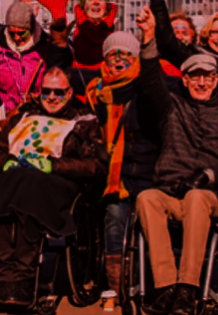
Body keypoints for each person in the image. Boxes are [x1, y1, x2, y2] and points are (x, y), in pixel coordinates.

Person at [133, 7, 218, 315]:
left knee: (197, 198)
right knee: (146, 198)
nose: (201, 82)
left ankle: (188, 289)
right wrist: (148, 39)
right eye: (195, 76)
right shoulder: (172, 108)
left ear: (216, 79)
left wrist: (209, 175)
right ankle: (167, 285)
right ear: (184, 80)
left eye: (208, 76)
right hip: (171, 192)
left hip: (209, 196)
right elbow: (150, 83)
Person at [0, 67, 108, 307]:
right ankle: (5, 276)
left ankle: (23, 277)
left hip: (58, 185)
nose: (51, 97)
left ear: (70, 92)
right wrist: (7, 162)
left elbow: (96, 165)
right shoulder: (23, 117)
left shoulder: (83, 120)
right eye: (46, 91)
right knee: (1, 192)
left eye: (58, 92)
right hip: (17, 179)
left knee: (29, 185)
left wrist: (54, 165)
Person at [85, 31, 166, 312]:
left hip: (149, 170)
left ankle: (154, 284)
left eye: (126, 55)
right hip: (114, 175)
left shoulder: (148, 87)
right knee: (114, 218)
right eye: (113, 55)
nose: (119, 61)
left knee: (151, 220)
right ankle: (115, 287)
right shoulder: (96, 91)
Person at [0, 1, 72, 120]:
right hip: (5, 116)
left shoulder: (45, 47)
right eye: (11, 33)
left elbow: (60, 75)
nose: (16, 38)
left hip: (37, 115)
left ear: (32, 29)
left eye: (22, 33)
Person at [69, 0, 119, 91]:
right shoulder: (71, 36)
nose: (96, 2)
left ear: (106, 9)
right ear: (82, 8)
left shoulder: (118, 41)